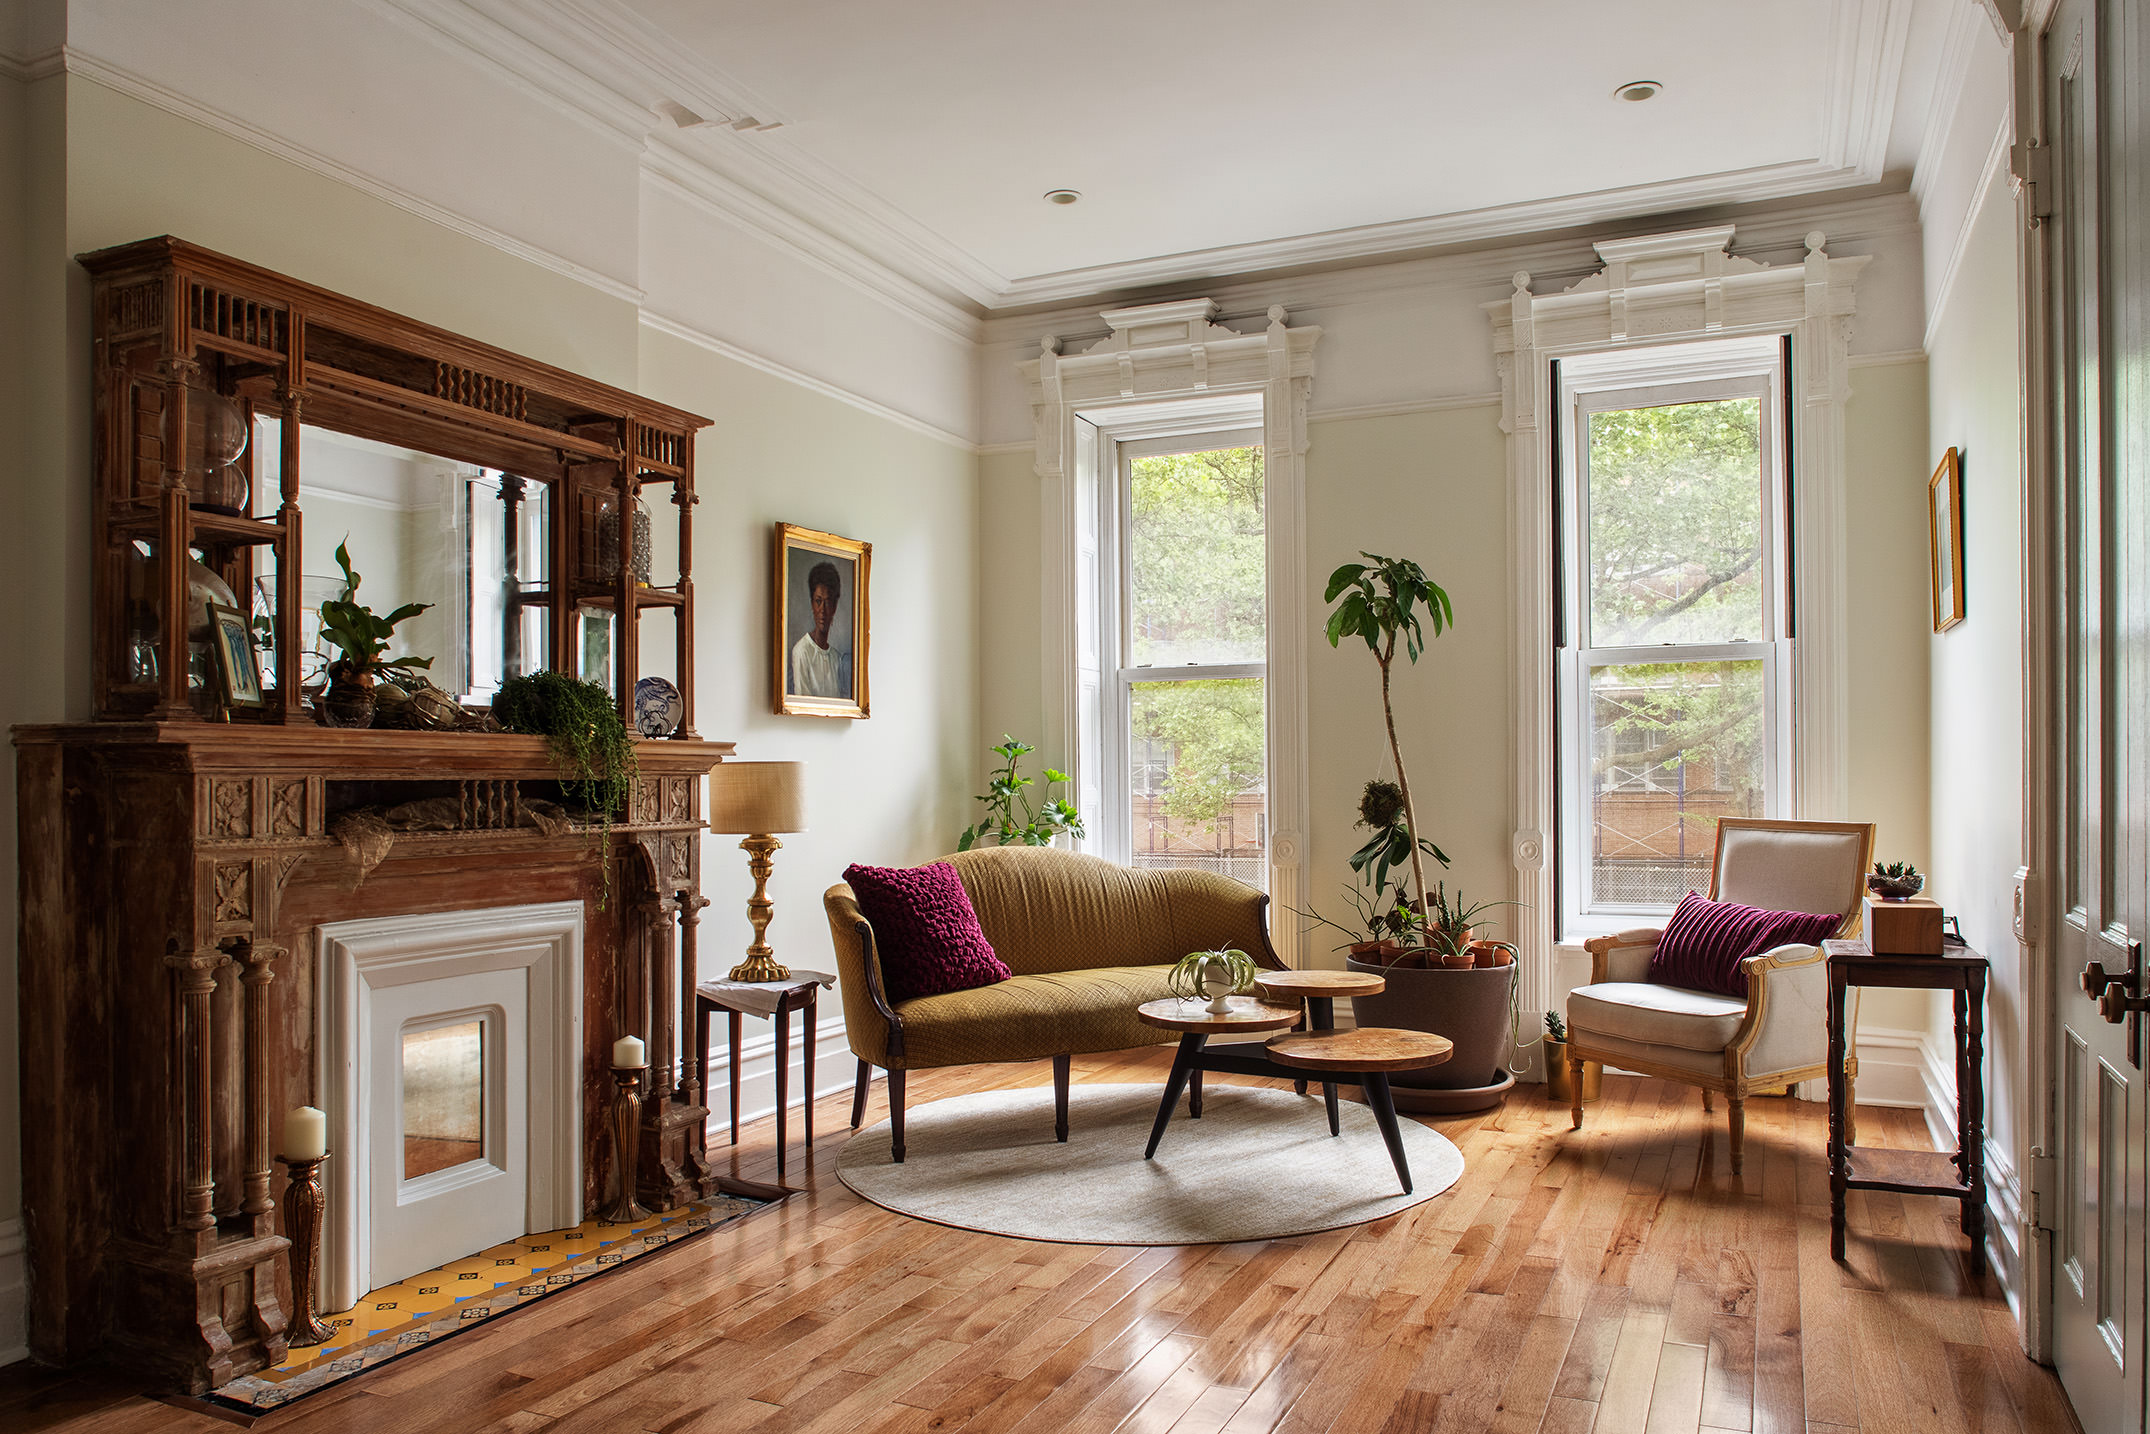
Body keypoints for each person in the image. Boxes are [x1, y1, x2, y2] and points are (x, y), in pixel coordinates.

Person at [790, 559, 849, 698]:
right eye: (818, 601)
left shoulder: (836, 658)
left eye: (827, 602)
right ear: (812, 604)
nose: (822, 610)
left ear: (834, 607)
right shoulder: (801, 651)